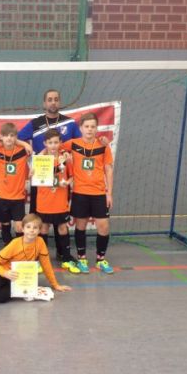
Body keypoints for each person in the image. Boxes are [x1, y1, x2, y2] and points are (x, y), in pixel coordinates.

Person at [18, 89, 81, 259]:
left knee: (61, 221)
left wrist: (69, 157)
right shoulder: (35, 123)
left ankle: (63, 254)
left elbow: (80, 144)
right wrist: (28, 147)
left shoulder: (70, 123)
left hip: (61, 174)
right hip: (41, 176)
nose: (53, 102)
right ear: (44, 103)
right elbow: (18, 138)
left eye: (56, 99)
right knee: (42, 222)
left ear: (59, 102)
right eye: (50, 99)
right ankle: (39, 255)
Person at [62, 112, 114, 274]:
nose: (90, 129)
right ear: (81, 128)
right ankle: (82, 258)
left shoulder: (103, 145)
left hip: (99, 193)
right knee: (80, 226)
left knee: (103, 227)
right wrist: (64, 155)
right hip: (80, 192)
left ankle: (100, 259)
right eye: (86, 126)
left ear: (97, 128)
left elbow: (108, 169)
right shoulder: (73, 144)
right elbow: (54, 149)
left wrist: (109, 193)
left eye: (93, 126)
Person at [35, 129, 87, 273]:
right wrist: (34, 170)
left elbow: (72, 177)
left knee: (63, 228)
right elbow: (34, 177)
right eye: (50, 143)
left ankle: (66, 259)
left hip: (60, 201)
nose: (53, 145)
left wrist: (67, 183)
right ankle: (41, 260)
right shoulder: (40, 159)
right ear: (45, 143)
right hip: (44, 202)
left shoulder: (66, 159)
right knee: (43, 229)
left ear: (60, 143)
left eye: (56, 142)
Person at [0, 122, 31, 245]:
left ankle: (19, 249)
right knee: (5, 224)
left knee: (19, 226)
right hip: (1, 195)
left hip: (17, 196)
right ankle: (8, 248)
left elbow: (32, 151)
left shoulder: (23, 151)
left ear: (16, 137)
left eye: (12, 135)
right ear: (1, 136)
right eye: (6, 135)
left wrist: (23, 143)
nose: (9, 138)